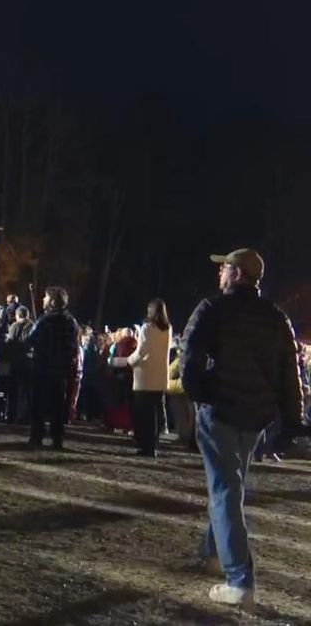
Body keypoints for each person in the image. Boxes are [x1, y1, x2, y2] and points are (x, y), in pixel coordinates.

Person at [181, 248, 304, 607]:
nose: (219, 274)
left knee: (225, 489)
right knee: (230, 486)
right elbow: (289, 375)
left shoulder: (213, 309)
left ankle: (239, 580)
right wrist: (290, 421)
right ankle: (215, 553)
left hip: (220, 411)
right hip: (254, 418)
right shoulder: (276, 318)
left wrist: (201, 393)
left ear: (236, 273)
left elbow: (190, 357)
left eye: (224, 268)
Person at [112, 299, 172, 457]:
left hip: (145, 377)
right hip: (160, 377)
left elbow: (141, 353)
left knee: (143, 414)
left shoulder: (147, 328)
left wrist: (125, 362)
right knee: (156, 413)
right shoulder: (167, 329)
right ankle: (154, 445)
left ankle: (146, 446)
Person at [27, 286, 81, 450]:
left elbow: (31, 340)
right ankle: (57, 438)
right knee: (58, 405)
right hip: (61, 370)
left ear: (51, 301)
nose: (42, 300)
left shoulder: (44, 320)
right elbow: (73, 347)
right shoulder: (71, 321)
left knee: (39, 404)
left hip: (43, 367)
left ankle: (37, 436)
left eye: (45, 297)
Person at [2, 306, 34, 423]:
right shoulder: (32, 326)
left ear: (17, 315)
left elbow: (10, 343)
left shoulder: (14, 326)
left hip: (16, 362)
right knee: (27, 391)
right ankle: (26, 417)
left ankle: (11, 416)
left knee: (14, 390)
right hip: (28, 362)